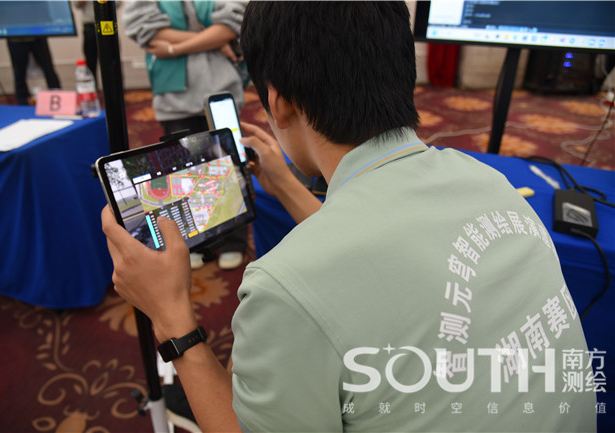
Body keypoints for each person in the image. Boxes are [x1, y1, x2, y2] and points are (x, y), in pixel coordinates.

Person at [102, 2, 596, 432]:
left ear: (278, 103)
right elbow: (367, 246)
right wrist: (285, 183)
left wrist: (171, 316)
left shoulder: (282, 287)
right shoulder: (491, 181)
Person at [122, 0, 249, 270]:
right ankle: (193, 242)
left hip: (220, 88)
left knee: (228, 164)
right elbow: (148, 31)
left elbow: (233, 23)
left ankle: (233, 239)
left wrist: (174, 48)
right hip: (174, 96)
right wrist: (213, 41)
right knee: (180, 173)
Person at [6, 37, 61, 105]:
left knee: (49, 70)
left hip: (37, 36)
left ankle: (58, 98)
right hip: (15, 39)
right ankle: (23, 104)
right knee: (19, 74)